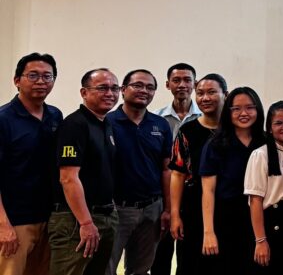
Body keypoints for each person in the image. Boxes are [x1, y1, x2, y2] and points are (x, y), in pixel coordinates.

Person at [48, 68, 121, 275]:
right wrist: (86, 222)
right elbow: (68, 178)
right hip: (76, 221)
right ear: (84, 92)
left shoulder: (105, 124)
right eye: (102, 88)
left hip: (104, 217)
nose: (110, 93)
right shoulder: (75, 125)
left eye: (114, 88)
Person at [0, 53, 63, 275]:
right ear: (17, 80)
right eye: (33, 75)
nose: (41, 81)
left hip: (49, 218)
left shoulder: (55, 116)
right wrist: (3, 225)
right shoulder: (4, 119)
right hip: (15, 221)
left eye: (48, 76)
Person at [107, 70, 172, 275]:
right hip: (116, 209)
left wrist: (168, 209)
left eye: (150, 87)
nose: (144, 90)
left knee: (141, 270)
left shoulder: (160, 125)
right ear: (123, 90)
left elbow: (166, 169)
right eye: (138, 85)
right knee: (105, 268)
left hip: (152, 209)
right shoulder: (106, 122)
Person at [199, 86, 266, 274]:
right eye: (236, 108)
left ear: (258, 110)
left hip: (259, 220)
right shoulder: (216, 144)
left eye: (250, 107)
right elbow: (208, 191)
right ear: (228, 112)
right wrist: (208, 232)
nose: (243, 113)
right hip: (225, 220)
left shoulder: (265, 142)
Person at [168, 73, 226, 275]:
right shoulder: (187, 131)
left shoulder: (235, 130)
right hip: (193, 209)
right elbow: (177, 174)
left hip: (229, 208)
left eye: (211, 92)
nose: (205, 98)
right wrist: (175, 214)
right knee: (192, 264)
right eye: (200, 93)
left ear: (225, 95)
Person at [152, 63, 201, 275]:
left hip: (193, 195)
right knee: (159, 255)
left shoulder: (205, 119)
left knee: (188, 255)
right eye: (176, 80)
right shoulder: (155, 119)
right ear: (167, 84)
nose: (182, 85)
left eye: (187, 80)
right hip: (163, 193)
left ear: (195, 84)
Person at [245, 100, 283, 274]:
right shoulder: (260, 155)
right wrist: (261, 241)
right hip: (273, 224)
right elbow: (255, 200)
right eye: (279, 123)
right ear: (269, 128)